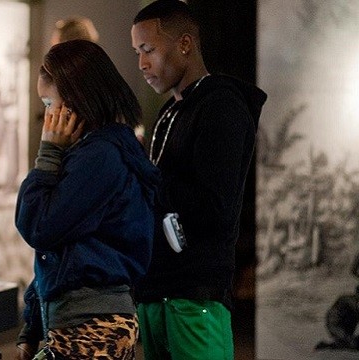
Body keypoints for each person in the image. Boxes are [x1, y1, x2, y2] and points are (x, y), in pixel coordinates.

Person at [130, 1, 267, 359]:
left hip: (195, 296)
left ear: (185, 44)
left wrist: (145, 173)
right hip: (158, 294)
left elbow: (213, 208)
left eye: (149, 50)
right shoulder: (170, 111)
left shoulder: (221, 107)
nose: (142, 63)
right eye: (137, 52)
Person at [15, 39, 160, 360]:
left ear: (76, 99)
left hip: (91, 327)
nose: (48, 115)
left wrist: (48, 154)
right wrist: (32, 327)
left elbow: (38, 227)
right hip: (82, 322)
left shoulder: (100, 156)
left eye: (49, 102)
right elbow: (60, 251)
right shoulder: (101, 150)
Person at [315, 285, 359, 351]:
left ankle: (340, 343)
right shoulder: (348, 300)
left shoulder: (352, 301)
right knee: (352, 343)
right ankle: (326, 347)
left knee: (350, 343)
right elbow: (354, 309)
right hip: (335, 325)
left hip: (342, 326)